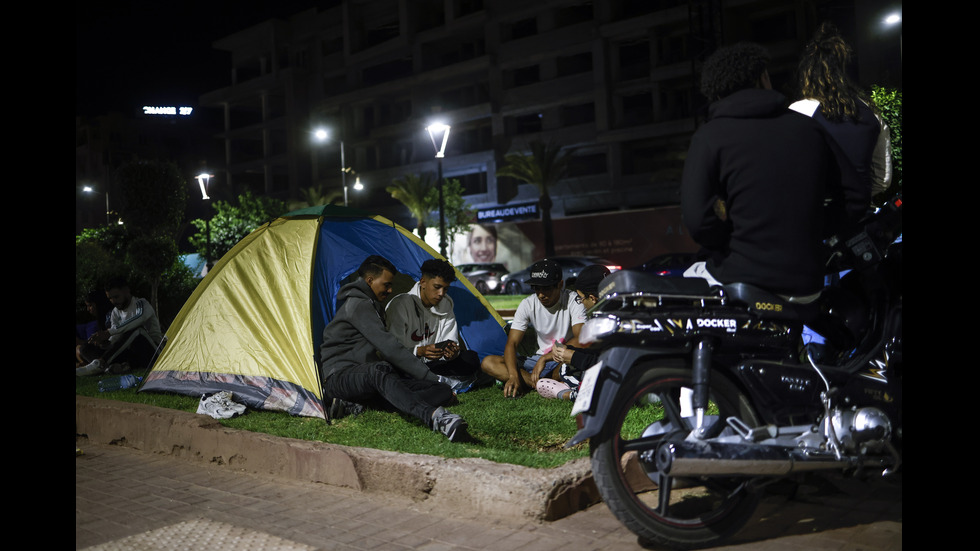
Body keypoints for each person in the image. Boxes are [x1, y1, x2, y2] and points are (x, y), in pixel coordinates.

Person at [681, 41, 866, 300]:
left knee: (685, 285)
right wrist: (810, 232)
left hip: (743, 283)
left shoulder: (709, 137)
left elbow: (697, 220)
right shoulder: (808, 128)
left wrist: (729, 243)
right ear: (763, 77)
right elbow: (856, 197)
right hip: (808, 285)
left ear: (717, 93)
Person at [319, 255, 470, 442]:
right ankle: (436, 418)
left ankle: (357, 405)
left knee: (441, 390)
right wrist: (430, 374)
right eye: (386, 285)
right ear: (370, 280)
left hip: (367, 379)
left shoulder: (373, 304)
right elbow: (390, 348)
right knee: (380, 369)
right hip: (340, 378)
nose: (390, 290)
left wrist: (437, 382)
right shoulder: (358, 305)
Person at [790, 22, 892, 198]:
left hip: (818, 214)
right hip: (859, 216)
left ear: (808, 73)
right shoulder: (872, 113)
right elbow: (883, 179)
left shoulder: (798, 112)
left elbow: (791, 171)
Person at [480, 259, 587, 398]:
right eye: (536, 288)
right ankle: (538, 383)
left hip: (561, 359)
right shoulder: (528, 304)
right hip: (536, 360)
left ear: (560, 284)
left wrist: (545, 359)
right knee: (488, 363)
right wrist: (513, 376)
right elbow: (512, 344)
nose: (541, 294)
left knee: (569, 365)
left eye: (546, 288)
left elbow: (581, 339)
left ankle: (535, 382)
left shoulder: (573, 300)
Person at [385, 259, 482, 389]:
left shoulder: (446, 304)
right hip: (407, 363)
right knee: (394, 370)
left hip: (434, 365)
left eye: (445, 289)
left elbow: (451, 341)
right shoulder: (401, 304)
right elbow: (392, 350)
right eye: (437, 287)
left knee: (471, 358)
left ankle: (429, 380)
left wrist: (451, 353)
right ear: (423, 282)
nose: (441, 294)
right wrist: (419, 351)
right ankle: (431, 380)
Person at [537, 264, 610, 400]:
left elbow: (611, 366)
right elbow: (602, 354)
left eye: (581, 298)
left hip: (638, 382)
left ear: (593, 298)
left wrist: (573, 357)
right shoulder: (615, 313)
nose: (581, 303)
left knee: (572, 371)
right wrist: (569, 350)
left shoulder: (612, 322)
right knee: (566, 368)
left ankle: (570, 394)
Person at [76, 276, 164, 376]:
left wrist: (108, 332)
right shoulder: (115, 312)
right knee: (85, 348)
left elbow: (139, 319)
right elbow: (116, 337)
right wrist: (106, 343)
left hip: (152, 352)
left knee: (136, 330)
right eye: (110, 298)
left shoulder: (141, 304)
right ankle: (113, 367)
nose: (113, 301)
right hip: (130, 354)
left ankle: (100, 364)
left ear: (126, 291)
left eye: (116, 297)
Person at [76, 289, 113, 366]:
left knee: (84, 348)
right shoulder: (101, 319)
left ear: (98, 304)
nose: (88, 309)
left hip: (112, 349)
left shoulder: (110, 316)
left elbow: (113, 338)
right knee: (80, 348)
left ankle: (99, 364)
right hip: (104, 348)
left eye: (90, 305)